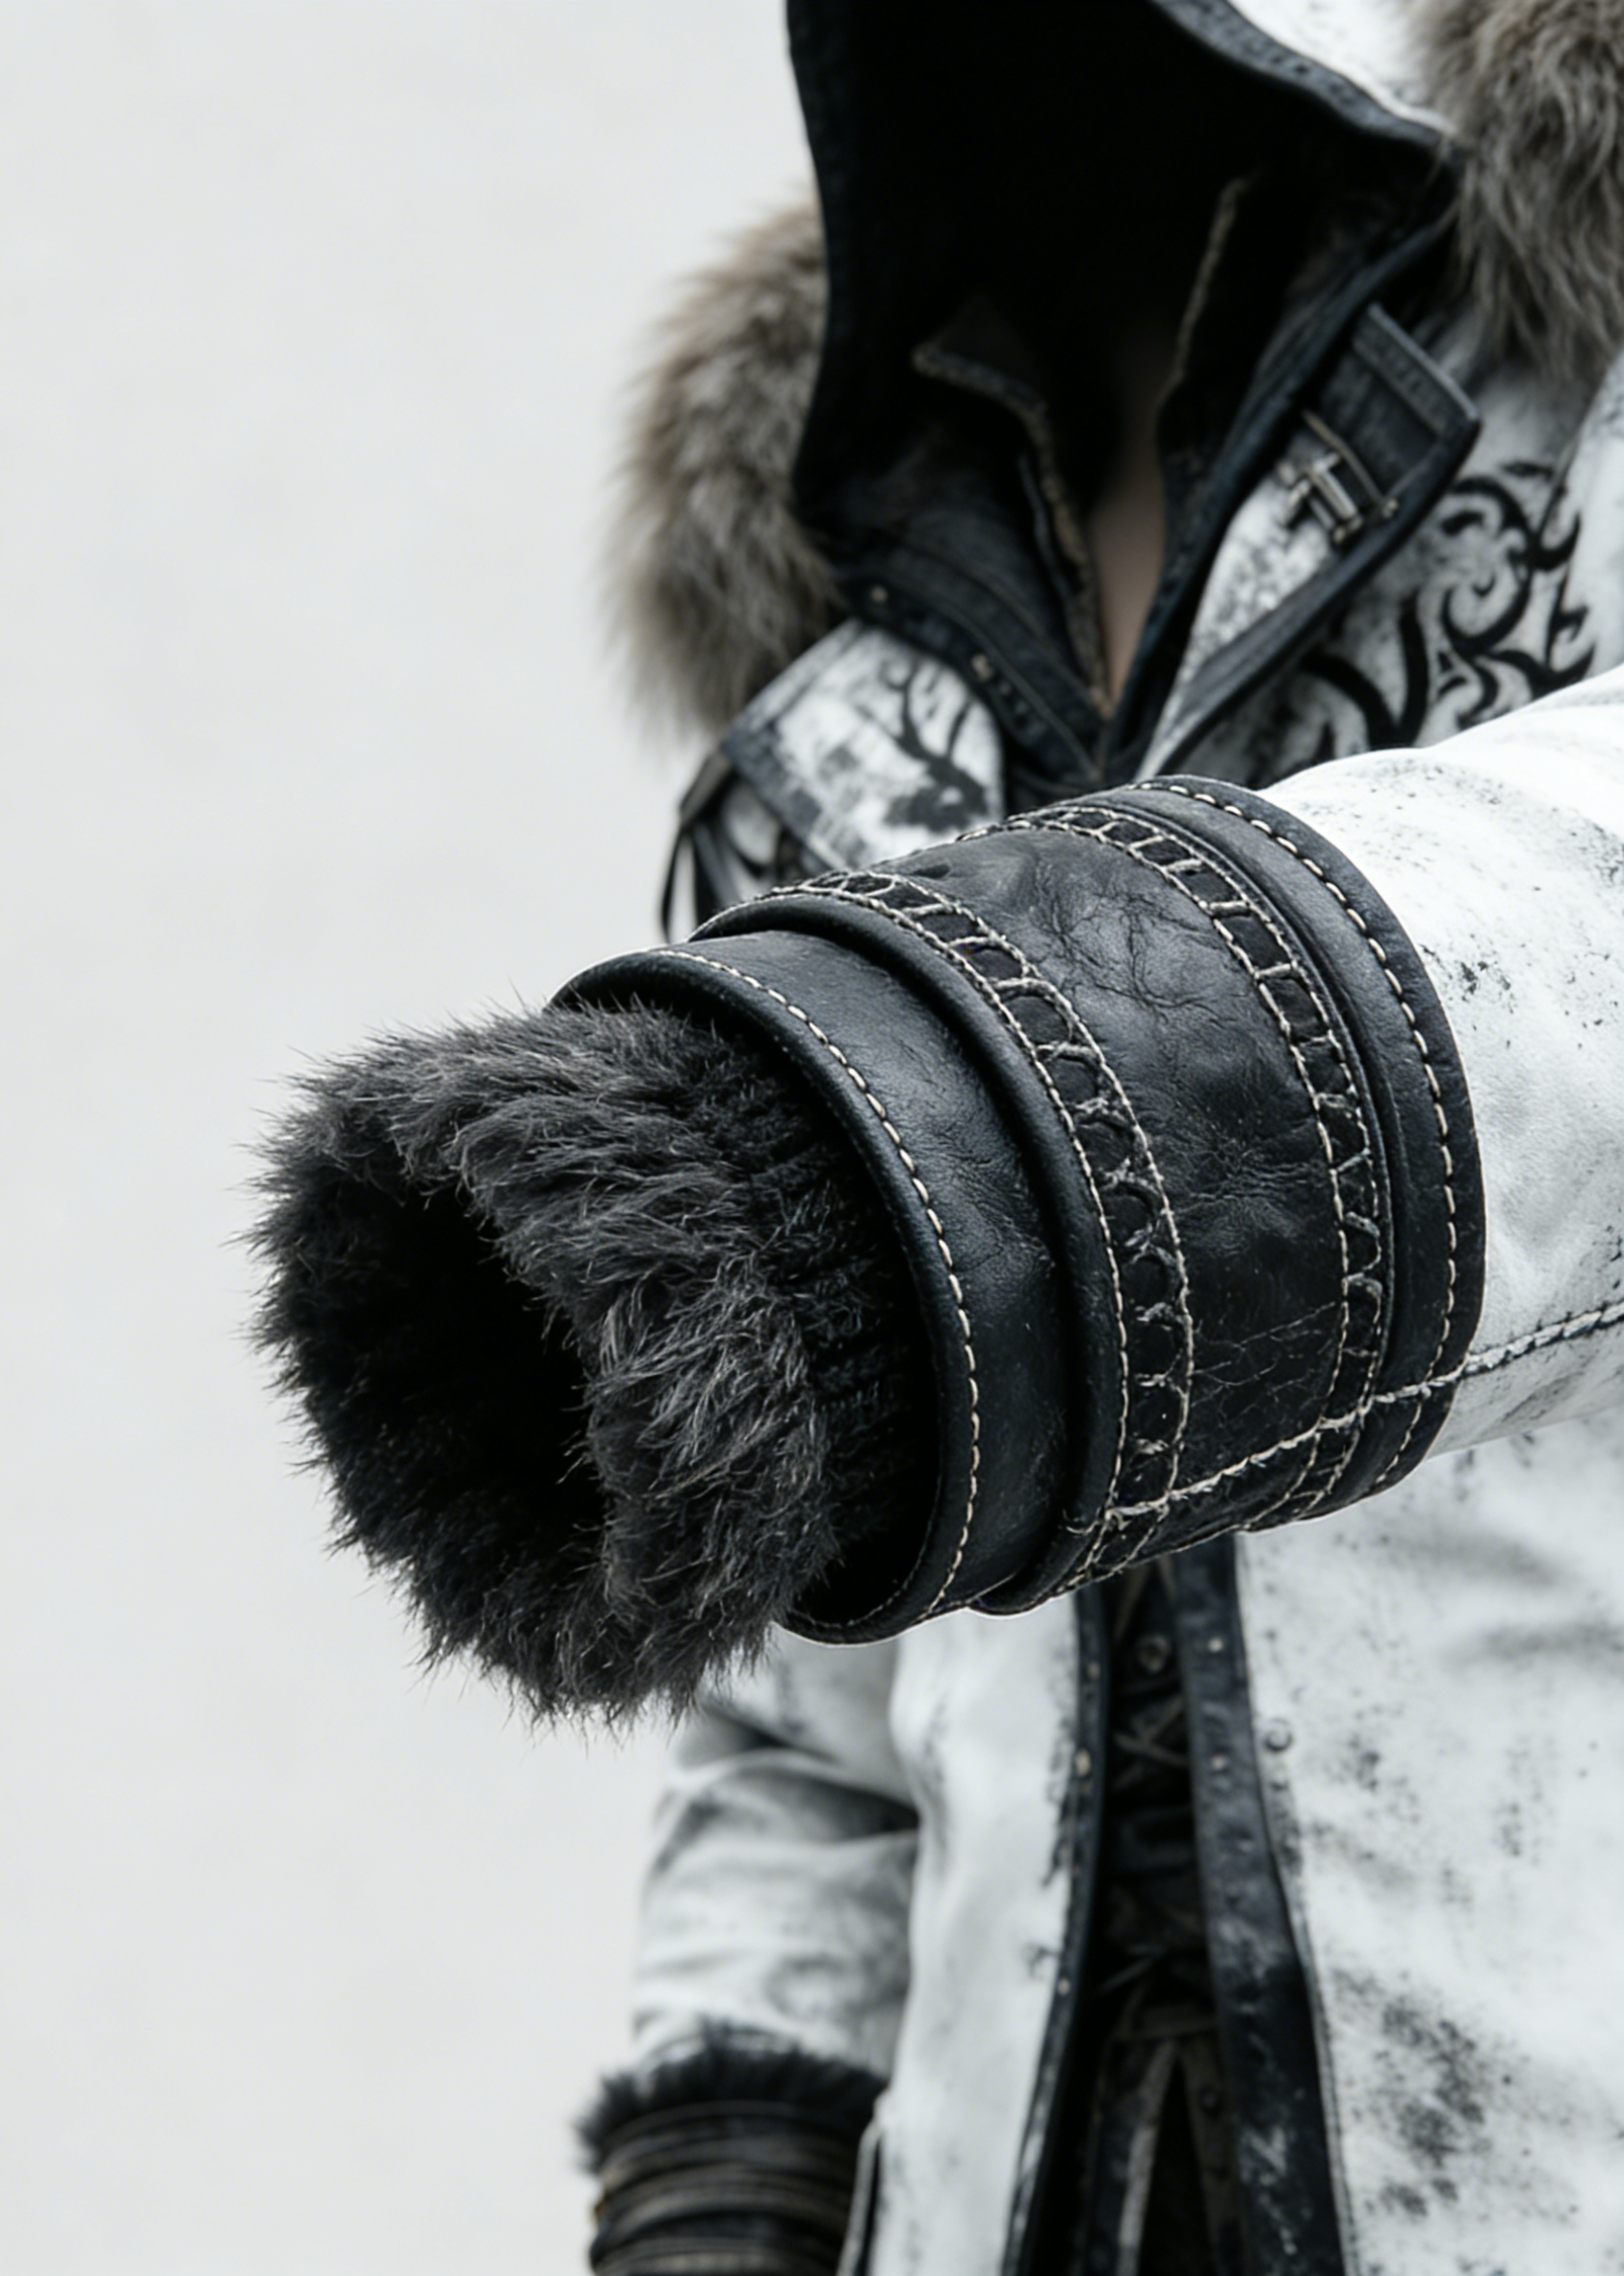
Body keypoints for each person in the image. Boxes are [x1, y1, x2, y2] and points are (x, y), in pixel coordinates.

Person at [255, 3, 1624, 2270]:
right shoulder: (829, 745)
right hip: (1019, 2177)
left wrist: (896, 1154)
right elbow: (806, 1701)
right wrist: (730, 2168)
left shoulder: (1581, 479)